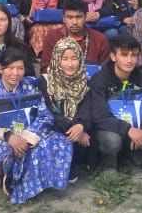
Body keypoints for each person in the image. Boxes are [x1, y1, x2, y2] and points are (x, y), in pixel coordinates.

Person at [0, 46, 72, 202]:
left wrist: (27, 137)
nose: (15, 73)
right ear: (0, 68)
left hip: (26, 137)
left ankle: (36, 180)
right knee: (1, 151)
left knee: (58, 141)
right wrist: (7, 136)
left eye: (20, 68)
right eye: (10, 68)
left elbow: (45, 116)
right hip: (1, 139)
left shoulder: (28, 87)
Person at [88, 33, 142, 176]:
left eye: (134, 55)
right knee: (111, 140)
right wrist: (128, 130)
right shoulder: (100, 79)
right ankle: (108, 164)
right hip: (110, 131)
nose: (129, 60)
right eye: (124, 55)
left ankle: (133, 160)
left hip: (138, 130)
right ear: (113, 57)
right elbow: (99, 115)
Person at [38, 38, 98, 177]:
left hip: (79, 127)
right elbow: (49, 111)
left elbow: (87, 108)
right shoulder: (45, 82)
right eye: (64, 59)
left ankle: (80, 164)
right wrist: (73, 128)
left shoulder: (84, 81)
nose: (70, 64)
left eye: (74, 58)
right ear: (56, 59)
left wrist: (81, 126)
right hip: (58, 127)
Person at [40, 0, 111, 73]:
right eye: (70, 17)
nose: (74, 22)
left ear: (85, 17)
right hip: (59, 83)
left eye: (78, 17)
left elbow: (106, 71)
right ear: (63, 18)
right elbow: (45, 69)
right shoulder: (53, 37)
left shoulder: (99, 39)